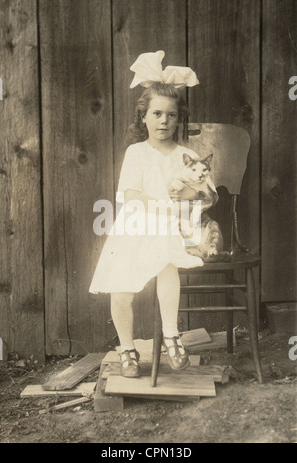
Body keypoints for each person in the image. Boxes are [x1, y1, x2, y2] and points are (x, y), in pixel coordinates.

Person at [89, 51, 204, 378]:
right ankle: (126, 347)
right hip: (135, 226)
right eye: (157, 114)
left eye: (171, 115)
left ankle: (171, 335)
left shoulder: (187, 155)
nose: (164, 121)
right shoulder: (136, 153)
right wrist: (162, 203)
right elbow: (131, 195)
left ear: (179, 118)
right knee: (120, 287)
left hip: (170, 228)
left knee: (167, 267)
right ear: (143, 117)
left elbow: (196, 193)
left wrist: (186, 197)